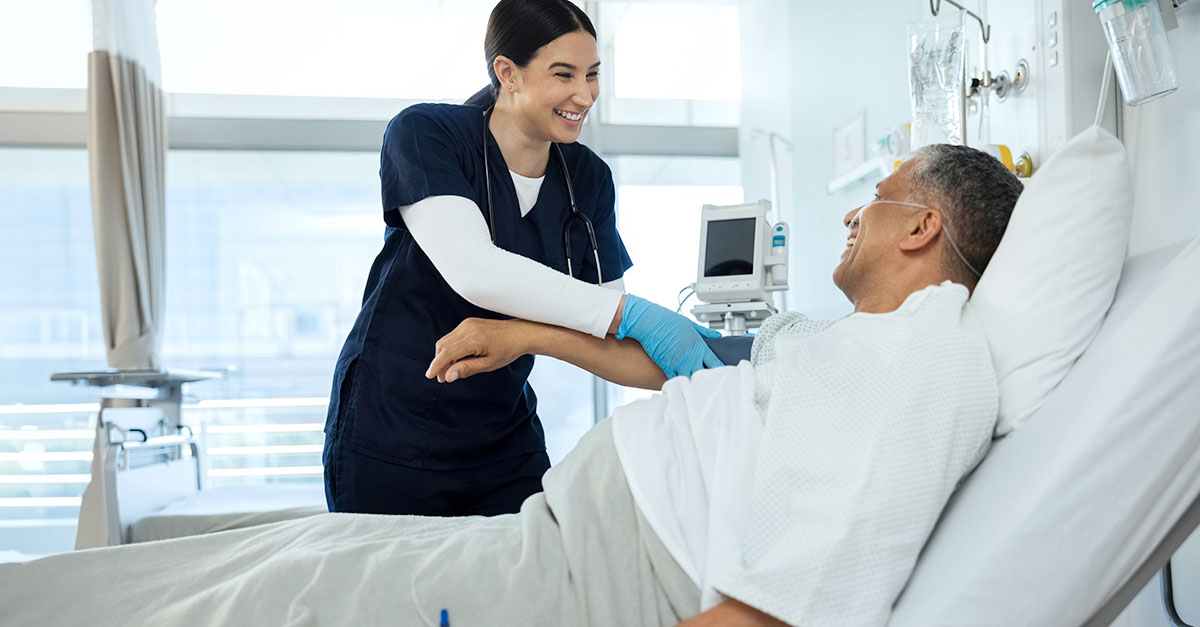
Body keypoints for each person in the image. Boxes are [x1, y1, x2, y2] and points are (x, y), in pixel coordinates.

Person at [2, 145, 1023, 627]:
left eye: (880, 197)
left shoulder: (930, 353)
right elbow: (696, 374)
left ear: (924, 228)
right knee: (284, 550)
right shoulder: (852, 345)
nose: (856, 214)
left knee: (267, 603)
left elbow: (813, 581)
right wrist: (520, 331)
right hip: (552, 543)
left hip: (595, 586)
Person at [324, 0, 721, 517]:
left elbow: (605, 336)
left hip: (504, 438)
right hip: (392, 427)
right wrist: (636, 316)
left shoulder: (588, 179)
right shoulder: (427, 134)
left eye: (593, 75)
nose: (585, 95)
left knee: (529, 590)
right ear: (507, 73)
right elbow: (476, 270)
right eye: (564, 75)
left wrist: (528, 337)